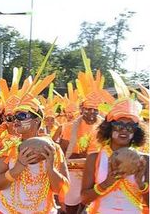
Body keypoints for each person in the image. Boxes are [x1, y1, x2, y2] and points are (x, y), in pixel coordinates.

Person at [0, 73, 70, 213]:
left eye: (22, 116)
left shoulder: (53, 149)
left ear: (37, 120)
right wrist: (18, 167)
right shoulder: (8, 146)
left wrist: (51, 169)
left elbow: (61, 189)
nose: (16, 120)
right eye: (15, 116)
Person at [81, 71, 149, 213]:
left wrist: (141, 184)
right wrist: (106, 183)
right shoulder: (95, 158)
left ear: (136, 131)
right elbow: (84, 199)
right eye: (119, 125)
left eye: (130, 127)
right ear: (109, 127)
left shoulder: (145, 160)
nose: (124, 130)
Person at [58, 54, 115, 214]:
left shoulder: (105, 126)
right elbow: (63, 153)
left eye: (95, 109)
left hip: (99, 172)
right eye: (88, 109)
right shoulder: (70, 127)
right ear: (82, 109)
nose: (91, 112)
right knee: (71, 207)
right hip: (75, 172)